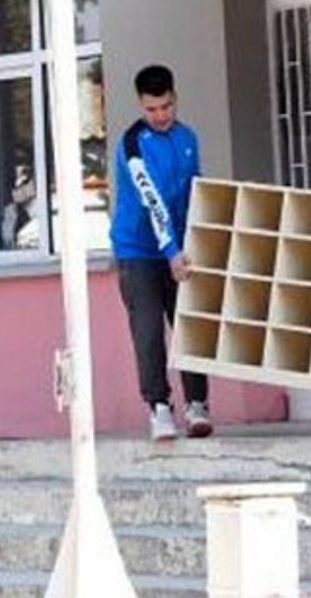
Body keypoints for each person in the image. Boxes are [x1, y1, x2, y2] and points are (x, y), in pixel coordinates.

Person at [109, 65, 211, 441]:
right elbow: (151, 199)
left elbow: (197, 189)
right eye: (152, 109)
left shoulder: (187, 138)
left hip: (179, 249)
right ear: (141, 105)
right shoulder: (132, 145)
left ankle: (197, 404)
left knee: (189, 323)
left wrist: (194, 243)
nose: (160, 115)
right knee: (149, 329)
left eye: (166, 106)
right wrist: (170, 251)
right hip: (139, 252)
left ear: (174, 98)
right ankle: (159, 406)